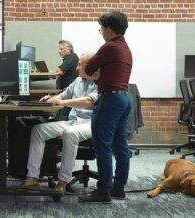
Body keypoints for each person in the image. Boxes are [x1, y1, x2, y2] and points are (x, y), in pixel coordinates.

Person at [19, 53, 98, 193]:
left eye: (80, 64)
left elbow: (88, 101)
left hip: (91, 123)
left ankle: (63, 181)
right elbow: (64, 94)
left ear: (91, 66)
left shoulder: (101, 81)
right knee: (38, 130)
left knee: (69, 133)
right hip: (74, 121)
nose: (77, 68)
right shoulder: (78, 81)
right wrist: (52, 97)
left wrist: (62, 102)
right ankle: (32, 178)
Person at [78, 11, 133, 204]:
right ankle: (118, 188)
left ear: (109, 29)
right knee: (120, 146)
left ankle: (102, 192)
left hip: (109, 100)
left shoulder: (109, 46)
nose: (101, 32)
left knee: (102, 146)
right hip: (124, 99)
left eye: (101, 28)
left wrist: (98, 73)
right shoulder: (125, 48)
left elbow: (88, 68)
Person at [55, 40, 79, 120]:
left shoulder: (71, 57)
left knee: (63, 117)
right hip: (67, 90)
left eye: (61, 49)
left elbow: (59, 71)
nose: (59, 51)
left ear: (69, 50)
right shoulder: (69, 58)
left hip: (69, 91)